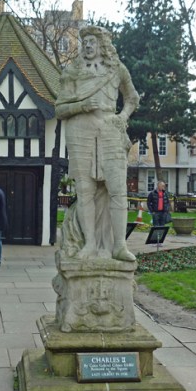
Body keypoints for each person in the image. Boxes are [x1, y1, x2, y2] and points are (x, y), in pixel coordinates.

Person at [55, 26, 139, 262]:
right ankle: (90, 244)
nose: (88, 46)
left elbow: (132, 97)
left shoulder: (117, 69)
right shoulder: (73, 71)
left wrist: (123, 116)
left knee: (118, 189)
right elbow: (59, 109)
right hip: (80, 131)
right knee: (85, 191)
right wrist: (81, 106)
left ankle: (119, 245)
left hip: (110, 129)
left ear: (102, 45)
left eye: (92, 41)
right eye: (85, 42)